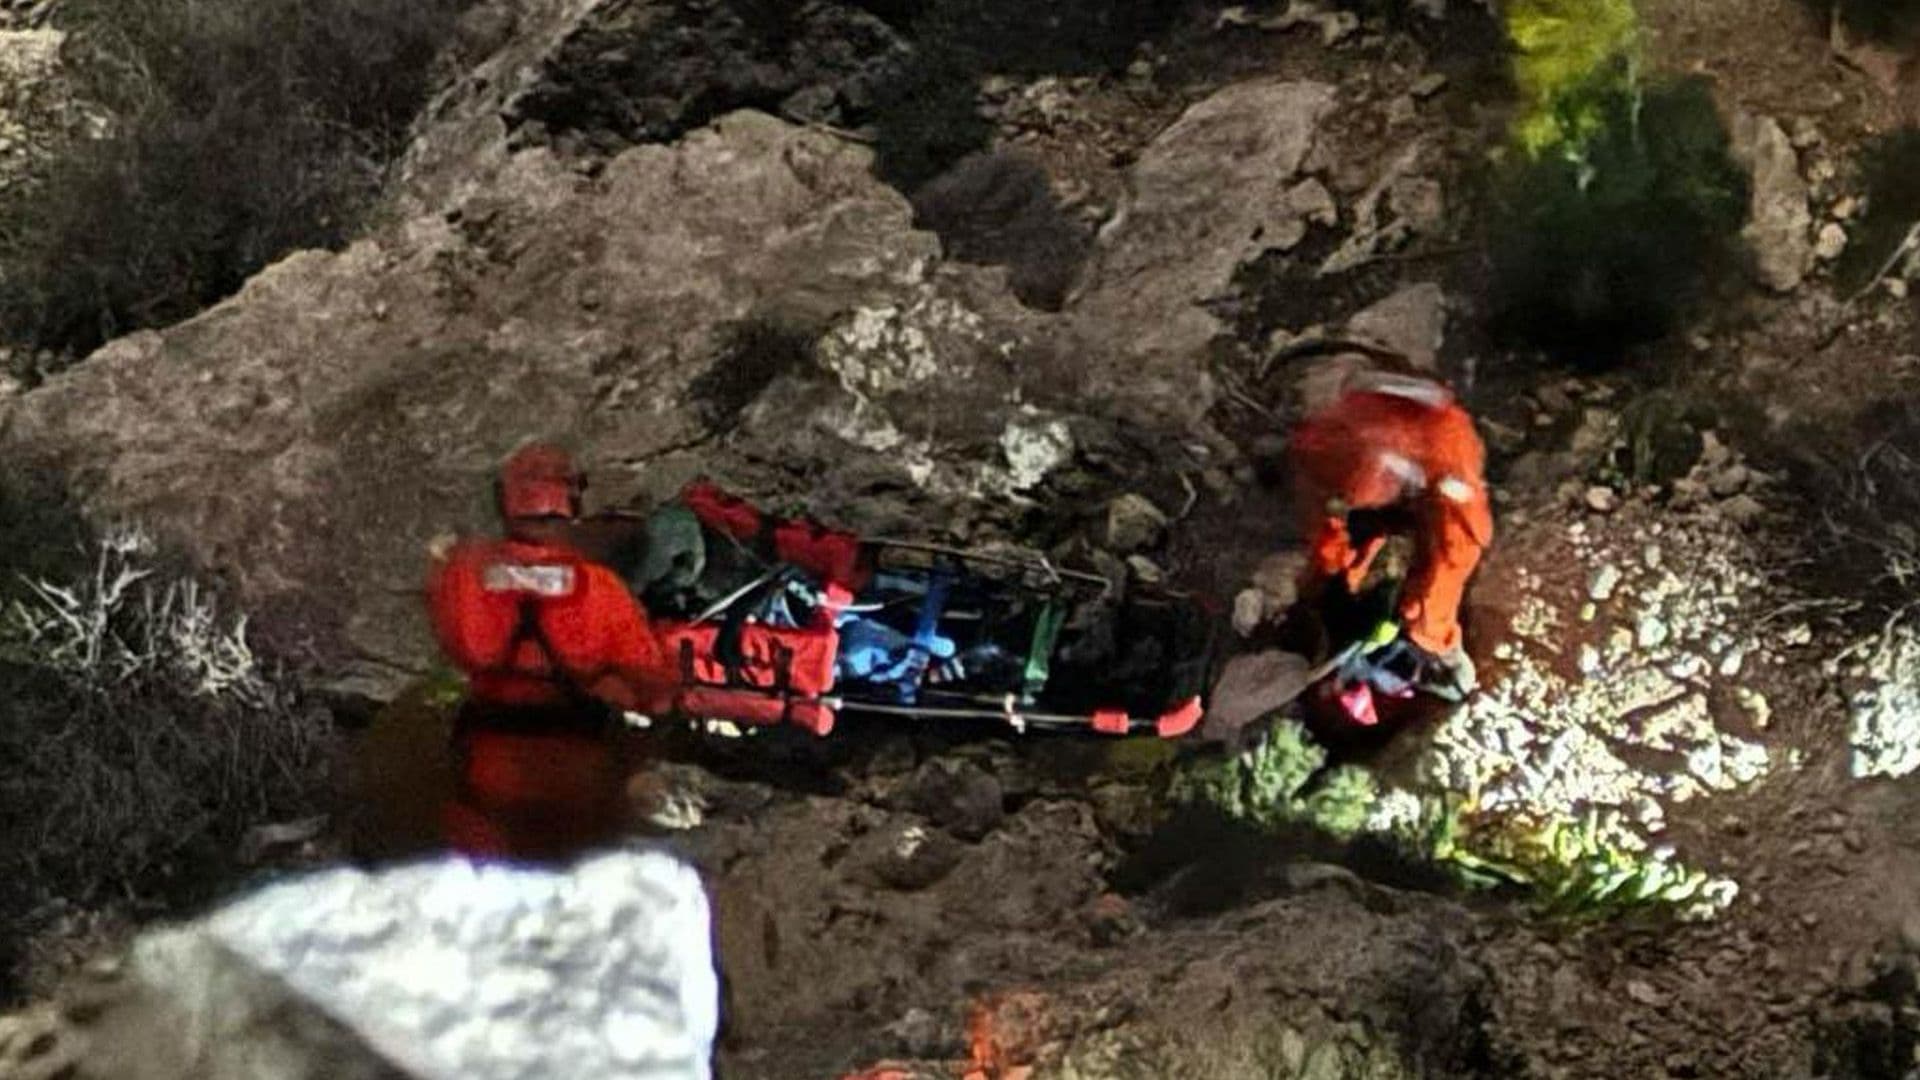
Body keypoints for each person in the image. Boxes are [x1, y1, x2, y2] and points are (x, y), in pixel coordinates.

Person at [424, 442, 675, 860]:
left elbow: (447, 637)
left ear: (504, 502)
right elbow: (656, 693)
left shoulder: (462, 575)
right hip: (578, 788)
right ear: (570, 503)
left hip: (483, 785)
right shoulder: (600, 589)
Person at [1287, 368, 1493, 700]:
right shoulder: (1354, 459)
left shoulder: (1441, 474)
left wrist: (1439, 644)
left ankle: (1440, 657)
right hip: (1389, 468)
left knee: (1442, 556)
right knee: (1348, 539)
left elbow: (1436, 592)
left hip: (1409, 472)